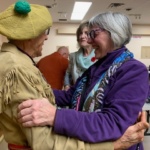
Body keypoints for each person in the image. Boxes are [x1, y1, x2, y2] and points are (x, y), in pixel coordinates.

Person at [1, 2, 148, 150]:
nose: (88, 40)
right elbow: (69, 96)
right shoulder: (96, 67)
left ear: (114, 33)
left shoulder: (134, 71)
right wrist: (33, 89)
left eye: (93, 34)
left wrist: (56, 116)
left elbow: (112, 124)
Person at [64, 21, 96, 91]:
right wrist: (67, 85)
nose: (82, 36)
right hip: (77, 93)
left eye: (86, 33)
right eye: (80, 33)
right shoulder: (73, 56)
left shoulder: (99, 55)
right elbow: (68, 73)